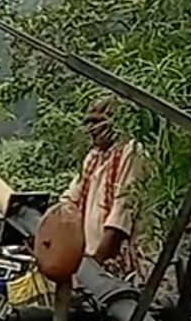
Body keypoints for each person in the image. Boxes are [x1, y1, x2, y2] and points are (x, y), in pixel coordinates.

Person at [59, 99, 145, 276]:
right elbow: (70, 200)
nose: (91, 128)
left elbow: (122, 212)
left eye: (97, 121)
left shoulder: (132, 151)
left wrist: (96, 266)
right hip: (88, 254)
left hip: (114, 258)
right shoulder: (93, 157)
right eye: (88, 122)